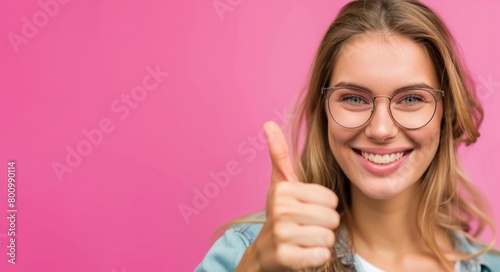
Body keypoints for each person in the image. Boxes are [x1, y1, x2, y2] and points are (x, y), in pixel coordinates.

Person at [195, 0, 500, 271]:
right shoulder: (248, 252)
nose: (381, 130)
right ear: (324, 108)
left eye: (411, 99)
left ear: (446, 112)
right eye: (354, 98)